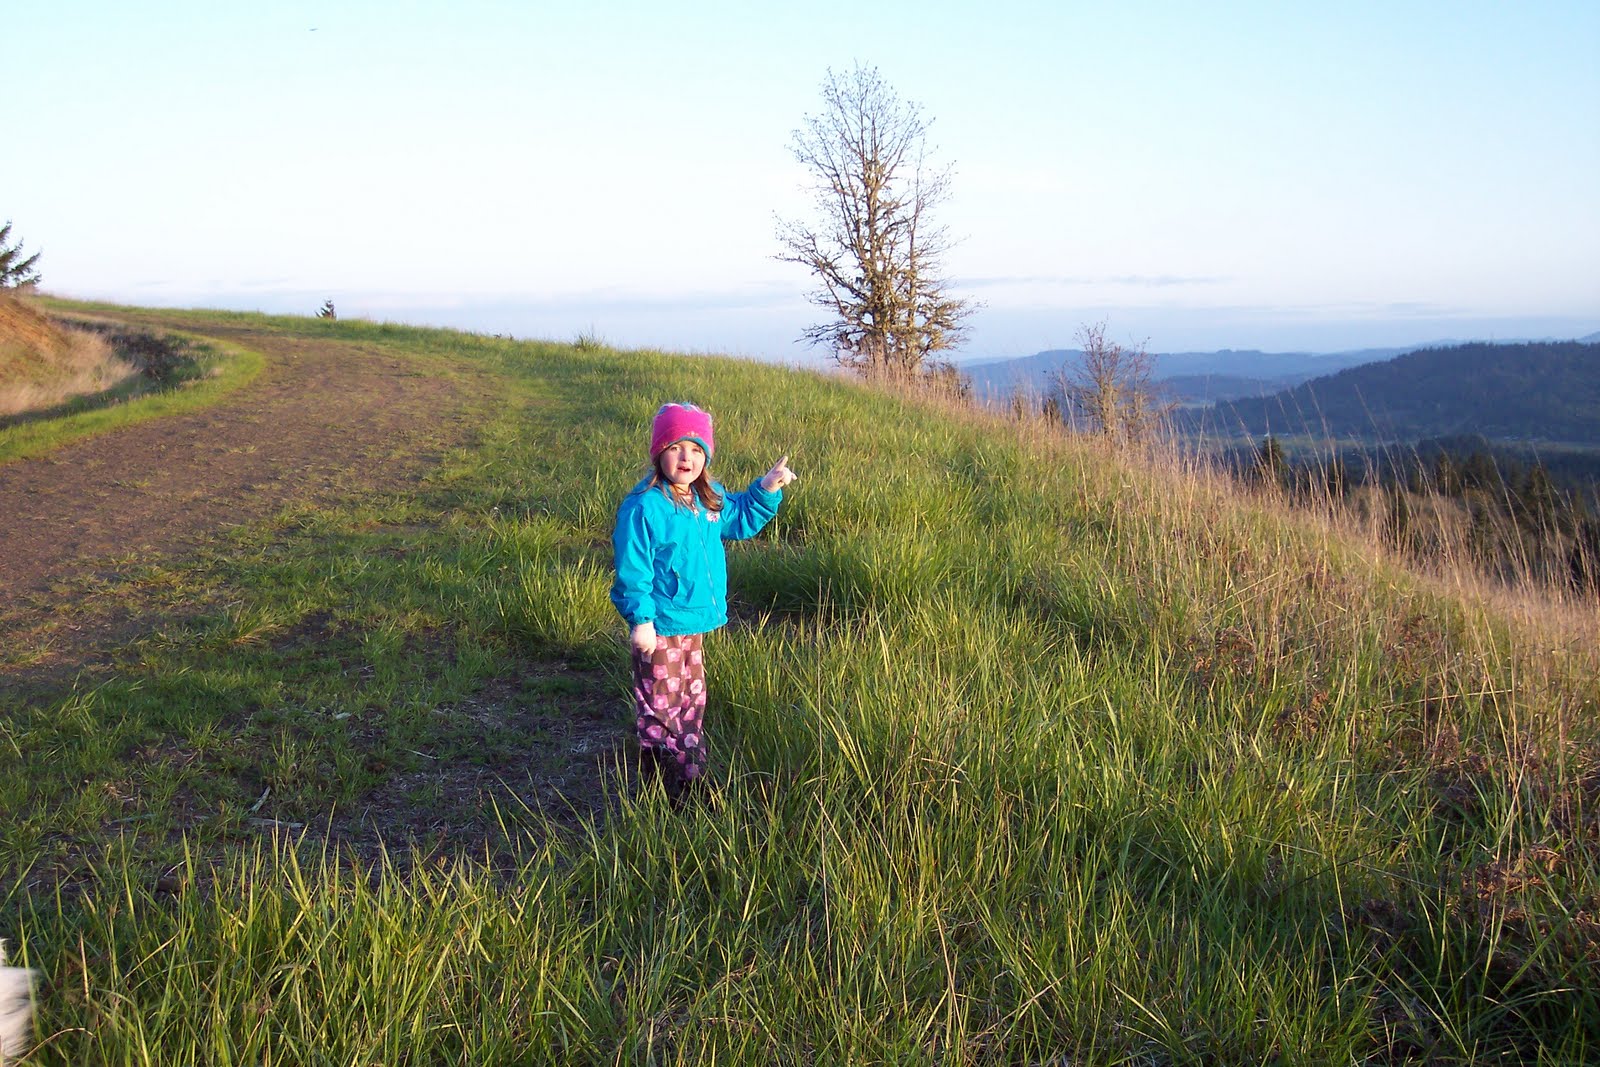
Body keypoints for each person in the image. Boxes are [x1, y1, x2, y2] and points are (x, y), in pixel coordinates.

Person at [610, 402, 796, 805]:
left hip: (693, 622)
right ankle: (661, 782)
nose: (687, 458)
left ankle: (691, 771)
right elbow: (633, 569)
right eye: (676, 447)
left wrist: (767, 488)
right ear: (659, 452)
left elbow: (740, 519)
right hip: (660, 625)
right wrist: (641, 620)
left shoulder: (707, 497)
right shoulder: (644, 506)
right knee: (661, 702)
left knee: (692, 699)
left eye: (697, 450)